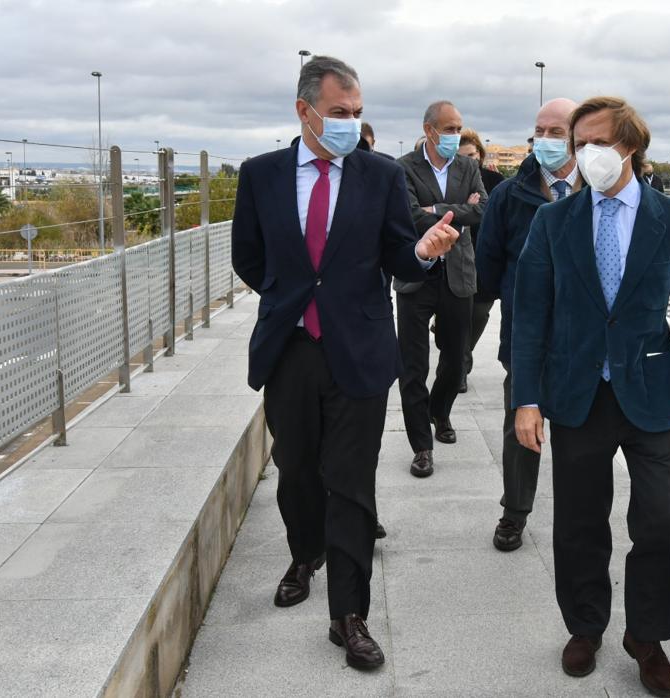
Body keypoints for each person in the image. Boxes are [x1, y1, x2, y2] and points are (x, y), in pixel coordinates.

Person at [231, 55, 460, 670]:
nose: (350, 125)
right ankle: (305, 553)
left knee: (351, 482)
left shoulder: (379, 175)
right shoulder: (261, 175)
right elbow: (249, 259)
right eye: (339, 113)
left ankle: (349, 615)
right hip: (291, 351)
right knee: (297, 470)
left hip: (358, 352)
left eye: (358, 114)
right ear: (304, 111)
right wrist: (296, 300)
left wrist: (425, 250)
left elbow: (397, 255)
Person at [512, 96, 670, 697]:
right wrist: (527, 399)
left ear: (629, 145)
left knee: (658, 524)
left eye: (597, 142)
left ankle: (646, 638)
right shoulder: (553, 222)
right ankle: (586, 625)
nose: (585, 154)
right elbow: (529, 319)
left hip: (652, 395)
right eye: (579, 144)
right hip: (577, 395)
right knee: (578, 523)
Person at [475, 97, 581, 553]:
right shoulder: (508, 195)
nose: (546, 140)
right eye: (540, 130)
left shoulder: (599, 190)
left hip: (585, 338)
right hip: (527, 336)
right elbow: (488, 264)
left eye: (556, 131)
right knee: (522, 426)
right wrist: (520, 299)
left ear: (578, 136)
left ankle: (579, 514)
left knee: (580, 433)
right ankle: (514, 512)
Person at [394, 100, 486, 478]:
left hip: (458, 275)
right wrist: (454, 209)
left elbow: (483, 210)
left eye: (459, 128)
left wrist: (436, 210)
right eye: (449, 129)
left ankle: (439, 410)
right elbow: (411, 216)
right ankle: (422, 446)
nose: (456, 135)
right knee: (413, 366)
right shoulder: (402, 168)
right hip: (417, 274)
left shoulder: (468, 166)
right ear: (429, 130)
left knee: (455, 358)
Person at [452, 127, 505, 393]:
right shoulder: (452, 181)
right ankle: (458, 362)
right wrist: (465, 208)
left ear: (480, 155)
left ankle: (463, 360)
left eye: (473, 155)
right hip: (457, 258)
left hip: (485, 258)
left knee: (479, 313)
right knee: (458, 318)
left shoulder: (495, 181)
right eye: (463, 156)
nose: (469, 160)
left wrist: (474, 209)